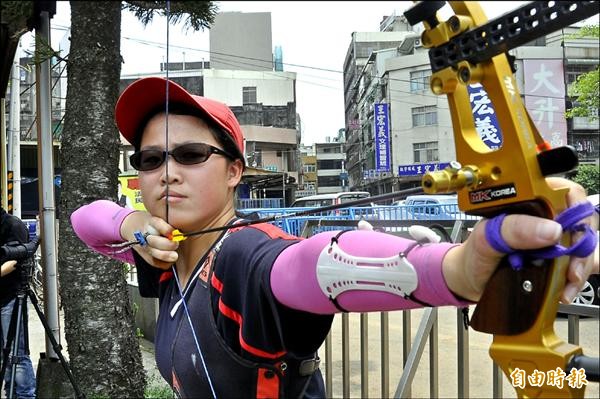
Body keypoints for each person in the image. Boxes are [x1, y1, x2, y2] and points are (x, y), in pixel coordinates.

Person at [70, 77, 599, 398]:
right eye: (149, 160)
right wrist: (132, 225)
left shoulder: (241, 255)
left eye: (190, 155)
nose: (166, 173)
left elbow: (306, 266)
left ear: (235, 171)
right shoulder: (162, 253)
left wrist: (458, 269)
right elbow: (85, 220)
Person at [0, 205, 37, 398]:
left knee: (17, 353)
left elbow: (15, 259)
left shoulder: (12, 225)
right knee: (3, 355)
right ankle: (11, 392)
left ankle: (24, 395)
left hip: (11, 298)